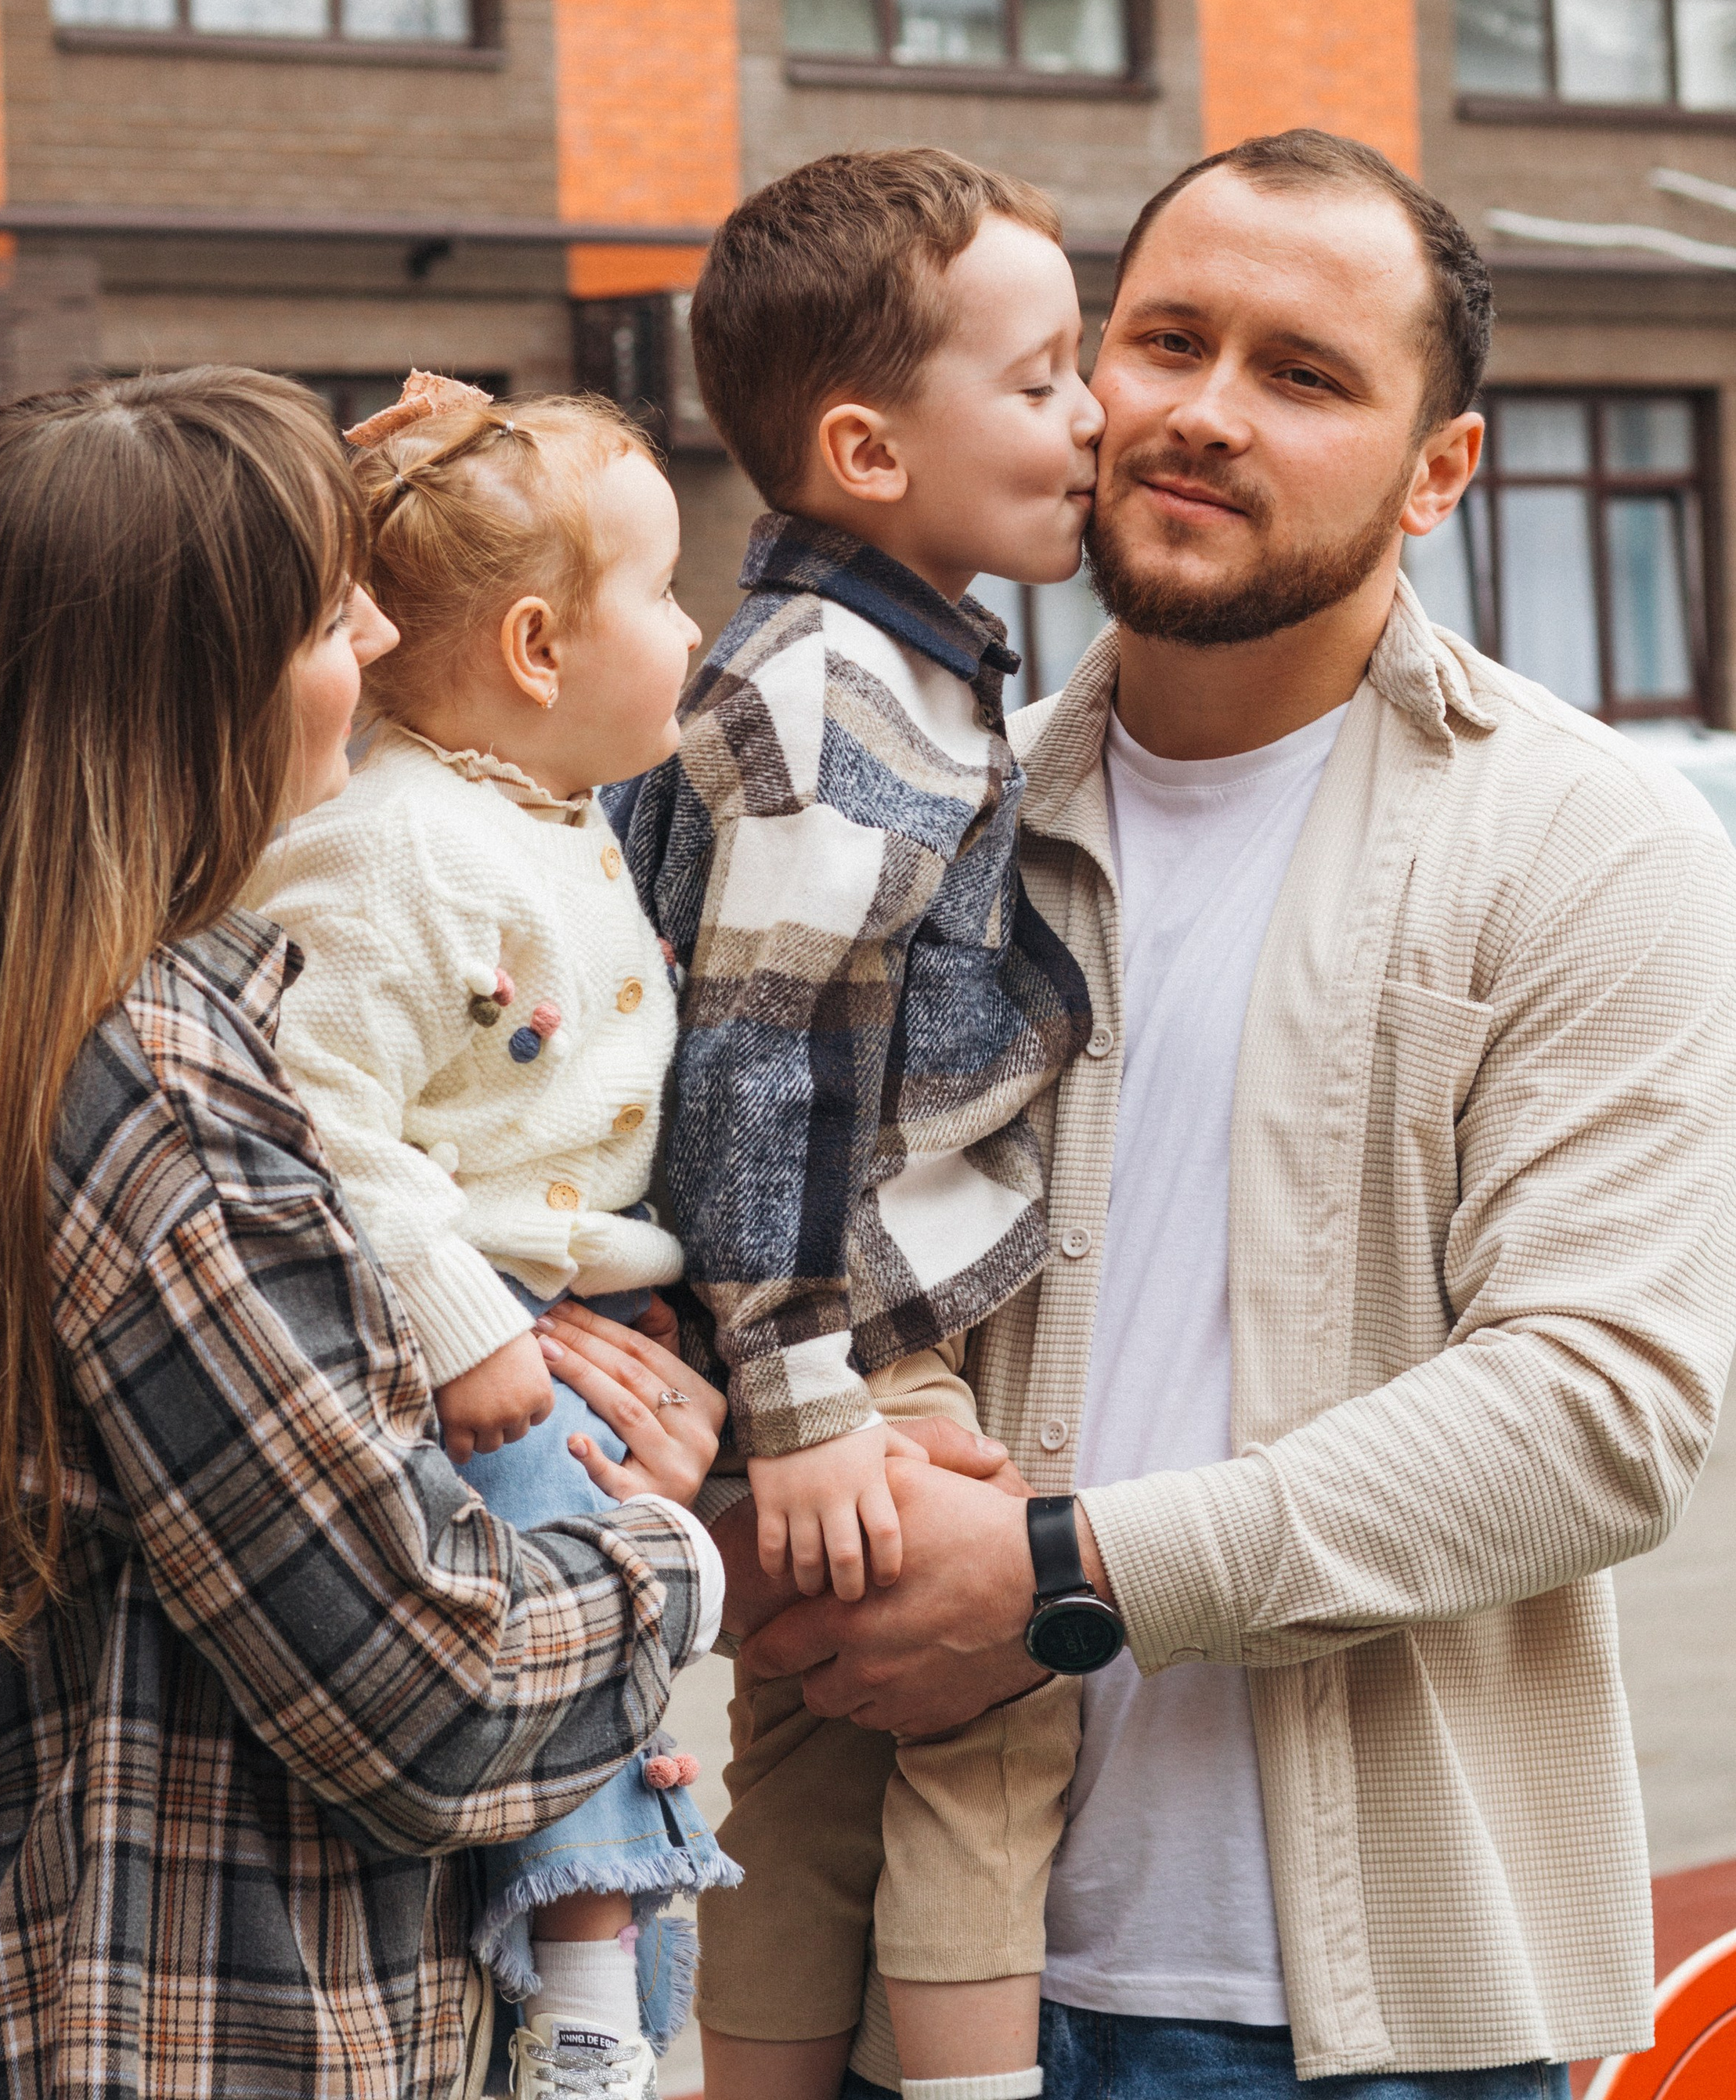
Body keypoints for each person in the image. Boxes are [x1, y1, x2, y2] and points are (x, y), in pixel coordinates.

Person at [731, 130, 1736, 2100]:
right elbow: (760, 1225)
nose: (1194, 414)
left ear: (1437, 471)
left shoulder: (1577, 834)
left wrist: (1065, 1576)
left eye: (1300, 373)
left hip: (1360, 2031)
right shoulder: (924, 815)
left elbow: (1599, 1411)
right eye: (1164, 339)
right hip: (911, 1983)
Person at [0, 366, 727, 2100]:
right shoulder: (167, 1087)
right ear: (197, 685)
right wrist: (671, 1543)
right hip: (199, 2035)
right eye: (319, 607)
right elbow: (435, 1682)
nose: (367, 630)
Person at [613, 148, 1107, 2100]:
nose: (1090, 419)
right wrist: (808, 1397)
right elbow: (763, 1057)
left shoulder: (884, 661)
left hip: (811, 1310)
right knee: (986, 1731)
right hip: (851, 1319)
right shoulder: (839, 695)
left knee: (804, 1753)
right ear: (866, 449)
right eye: (1043, 374)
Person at [251, 373, 741, 2095]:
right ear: (538, 647)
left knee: (594, 1645)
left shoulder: (549, 815)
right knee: (560, 1609)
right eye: (666, 591)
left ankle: (590, 1961)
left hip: (554, 1324)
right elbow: (314, 1120)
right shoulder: (387, 850)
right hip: (458, 1336)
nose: (695, 625)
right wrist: (465, 1318)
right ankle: (588, 1990)